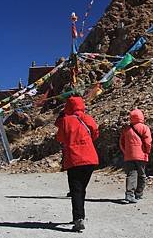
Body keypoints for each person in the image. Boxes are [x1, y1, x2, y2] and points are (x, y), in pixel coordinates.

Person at [55, 96, 99, 232]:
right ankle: (80, 215)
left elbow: (60, 138)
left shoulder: (66, 121)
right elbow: (95, 133)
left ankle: (79, 218)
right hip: (90, 158)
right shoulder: (88, 118)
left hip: (74, 159)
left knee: (76, 190)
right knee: (82, 189)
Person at [119, 109, 152, 203]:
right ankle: (139, 193)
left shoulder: (126, 129)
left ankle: (129, 195)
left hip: (129, 156)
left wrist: (125, 152)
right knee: (141, 175)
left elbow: (121, 142)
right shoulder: (144, 128)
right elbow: (148, 142)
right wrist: (147, 151)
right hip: (141, 155)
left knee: (131, 175)